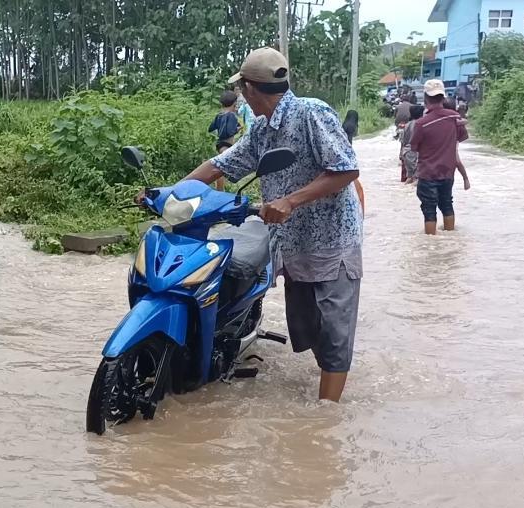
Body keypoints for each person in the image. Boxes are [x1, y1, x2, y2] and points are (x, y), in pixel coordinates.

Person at [177, 47, 363, 403]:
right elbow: (220, 165)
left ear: (249, 88)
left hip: (333, 240)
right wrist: (174, 194)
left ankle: (326, 417)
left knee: (334, 331)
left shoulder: (311, 113)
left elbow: (347, 169)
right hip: (293, 241)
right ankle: (324, 381)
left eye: (243, 87)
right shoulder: (262, 130)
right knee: (309, 328)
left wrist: (291, 200)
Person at [410, 79, 471, 235]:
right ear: (443, 98)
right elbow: (462, 137)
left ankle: (431, 246)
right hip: (448, 173)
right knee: (447, 205)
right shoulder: (454, 117)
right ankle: (450, 239)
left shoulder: (421, 124)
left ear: (425, 98)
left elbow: (414, 147)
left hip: (428, 174)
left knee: (429, 210)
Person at [209, 89, 242, 190]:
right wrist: (238, 129)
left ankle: (220, 189)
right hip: (226, 144)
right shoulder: (231, 115)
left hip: (220, 144)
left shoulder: (219, 115)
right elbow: (229, 131)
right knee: (221, 169)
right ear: (234, 103)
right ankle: (219, 190)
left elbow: (210, 128)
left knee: (222, 167)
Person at [399, 105, 424, 184]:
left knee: (409, 179)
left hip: (407, 153)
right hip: (417, 154)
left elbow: (403, 142)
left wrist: (401, 155)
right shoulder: (422, 124)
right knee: (417, 181)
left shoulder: (407, 125)